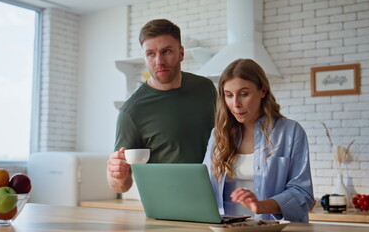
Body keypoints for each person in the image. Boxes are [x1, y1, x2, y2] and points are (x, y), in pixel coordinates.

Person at [107, 19, 217, 193]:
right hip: (167, 202)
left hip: (217, 196)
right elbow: (121, 186)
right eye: (150, 53)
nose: (159, 61)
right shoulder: (132, 111)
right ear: (144, 58)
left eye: (166, 51)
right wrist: (117, 174)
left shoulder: (205, 88)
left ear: (181, 53)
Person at [202, 58, 314, 222]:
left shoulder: (290, 132)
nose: (236, 104)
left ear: (263, 91)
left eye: (244, 94)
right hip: (225, 227)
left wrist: (261, 205)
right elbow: (203, 185)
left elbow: (302, 193)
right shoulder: (218, 135)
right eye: (229, 95)